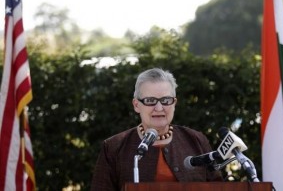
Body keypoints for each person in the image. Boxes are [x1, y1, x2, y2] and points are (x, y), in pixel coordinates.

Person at [91, 68, 223, 191]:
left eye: (166, 100)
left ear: (174, 103)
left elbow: (218, 187)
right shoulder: (114, 147)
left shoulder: (196, 140)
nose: (159, 108)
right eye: (150, 100)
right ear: (136, 105)